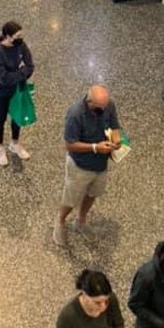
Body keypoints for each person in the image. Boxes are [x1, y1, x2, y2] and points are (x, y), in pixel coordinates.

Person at [53, 85, 121, 246]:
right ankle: (60, 220)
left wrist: (117, 140)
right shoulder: (75, 114)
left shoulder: (107, 104)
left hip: (100, 164)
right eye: (99, 108)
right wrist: (95, 147)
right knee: (71, 198)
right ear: (89, 101)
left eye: (105, 107)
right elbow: (69, 144)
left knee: (93, 193)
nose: (103, 110)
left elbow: (114, 125)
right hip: (80, 166)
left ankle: (81, 220)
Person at [0, 21, 34, 166]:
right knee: (1, 118)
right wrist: (21, 73)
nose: (21, 38)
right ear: (7, 36)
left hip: (16, 89)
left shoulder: (20, 45)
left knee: (16, 116)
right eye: (17, 36)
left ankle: (14, 143)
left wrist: (17, 74)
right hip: (1, 91)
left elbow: (30, 66)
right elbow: (2, 78)